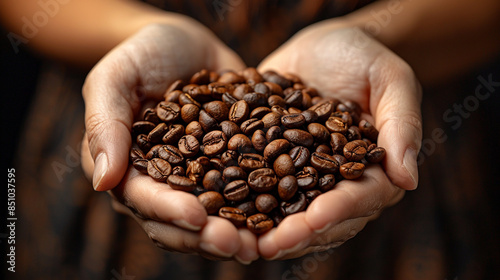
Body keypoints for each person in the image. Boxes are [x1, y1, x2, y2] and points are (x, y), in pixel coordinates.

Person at [1, 0, 499, 279]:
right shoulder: (176, 133)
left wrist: (381, 37)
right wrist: (135, 32)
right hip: (122, 119)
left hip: (408, 154)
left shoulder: (320, 139)